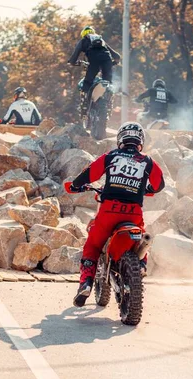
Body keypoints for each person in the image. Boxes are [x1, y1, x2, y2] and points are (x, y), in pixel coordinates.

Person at [65, 122, 165, 307]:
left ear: (121, 139)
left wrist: (74, 185)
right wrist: (145, 189)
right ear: (140, 141)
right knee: (140, 238)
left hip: (109, 211)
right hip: (133, 213)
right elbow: (159, 185)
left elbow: (89, 174)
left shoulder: (111, 156)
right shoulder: (147, 161)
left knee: (93, 246)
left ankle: (86, 283)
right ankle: (141, 266)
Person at [67, 26, 121, 115]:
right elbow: (117, 56)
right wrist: (114, 62)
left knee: (87, 82)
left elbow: (73, 57)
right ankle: (109, 103)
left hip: (94, 61)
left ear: (83, 34)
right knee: (108, 83)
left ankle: (84, 105)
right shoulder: (101, 40)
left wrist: (73, 62)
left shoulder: (84, 40)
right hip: (107, 61)